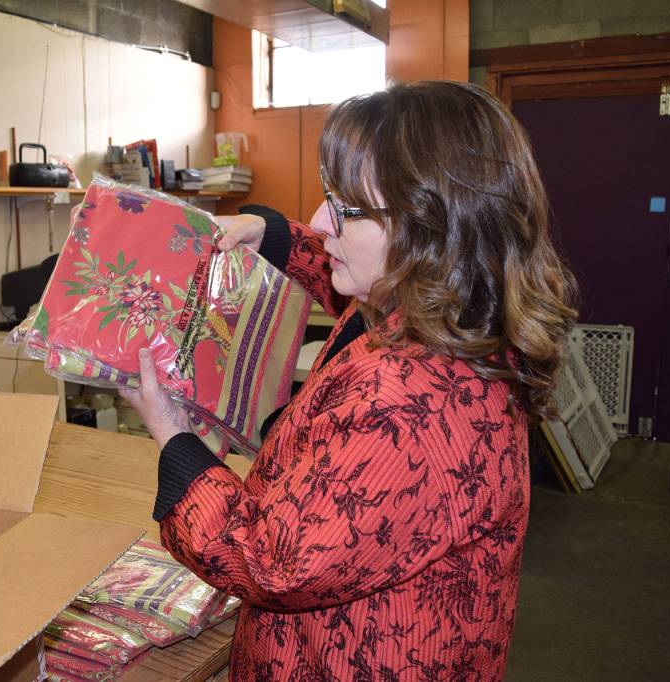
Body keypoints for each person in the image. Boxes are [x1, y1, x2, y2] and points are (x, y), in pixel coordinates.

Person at [121, 80, 578, 680]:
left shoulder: (410, 403)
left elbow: (267, 560)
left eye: (348, 208)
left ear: (432, 230)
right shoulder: (450, 313)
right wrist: (275, 239)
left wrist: (173, 437)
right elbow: (357, 304)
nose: (319, 219)